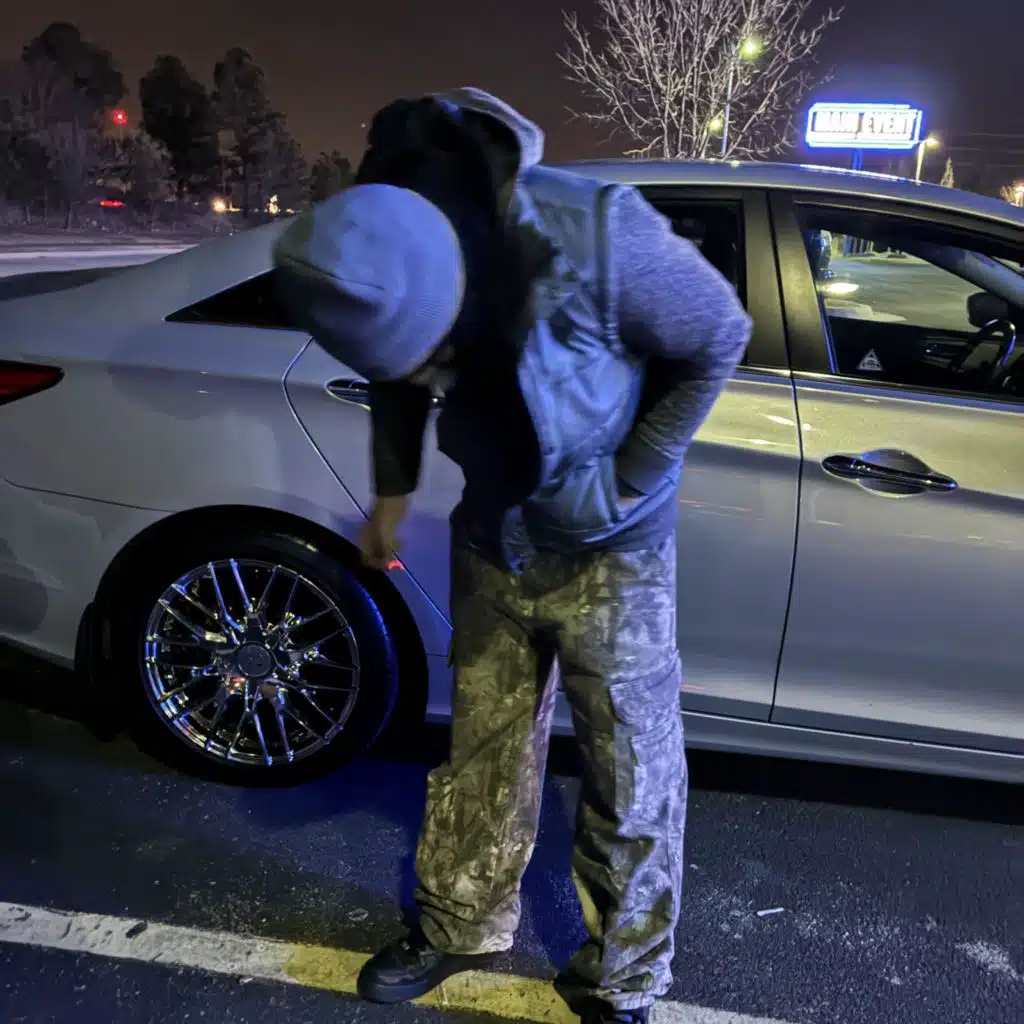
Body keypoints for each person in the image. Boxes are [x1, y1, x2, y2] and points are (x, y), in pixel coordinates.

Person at [274, 88, 752, 1024]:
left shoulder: (600, 236)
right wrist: (394, 491)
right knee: (482, 748)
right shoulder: (390, 226)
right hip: (494, 534)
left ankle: (622, 978)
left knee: (631, 774)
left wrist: (629, 480)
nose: (428, 380)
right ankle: (460, 921)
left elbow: (717, 336)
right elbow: (393, 377)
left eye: (433, 358)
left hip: (615, 554)